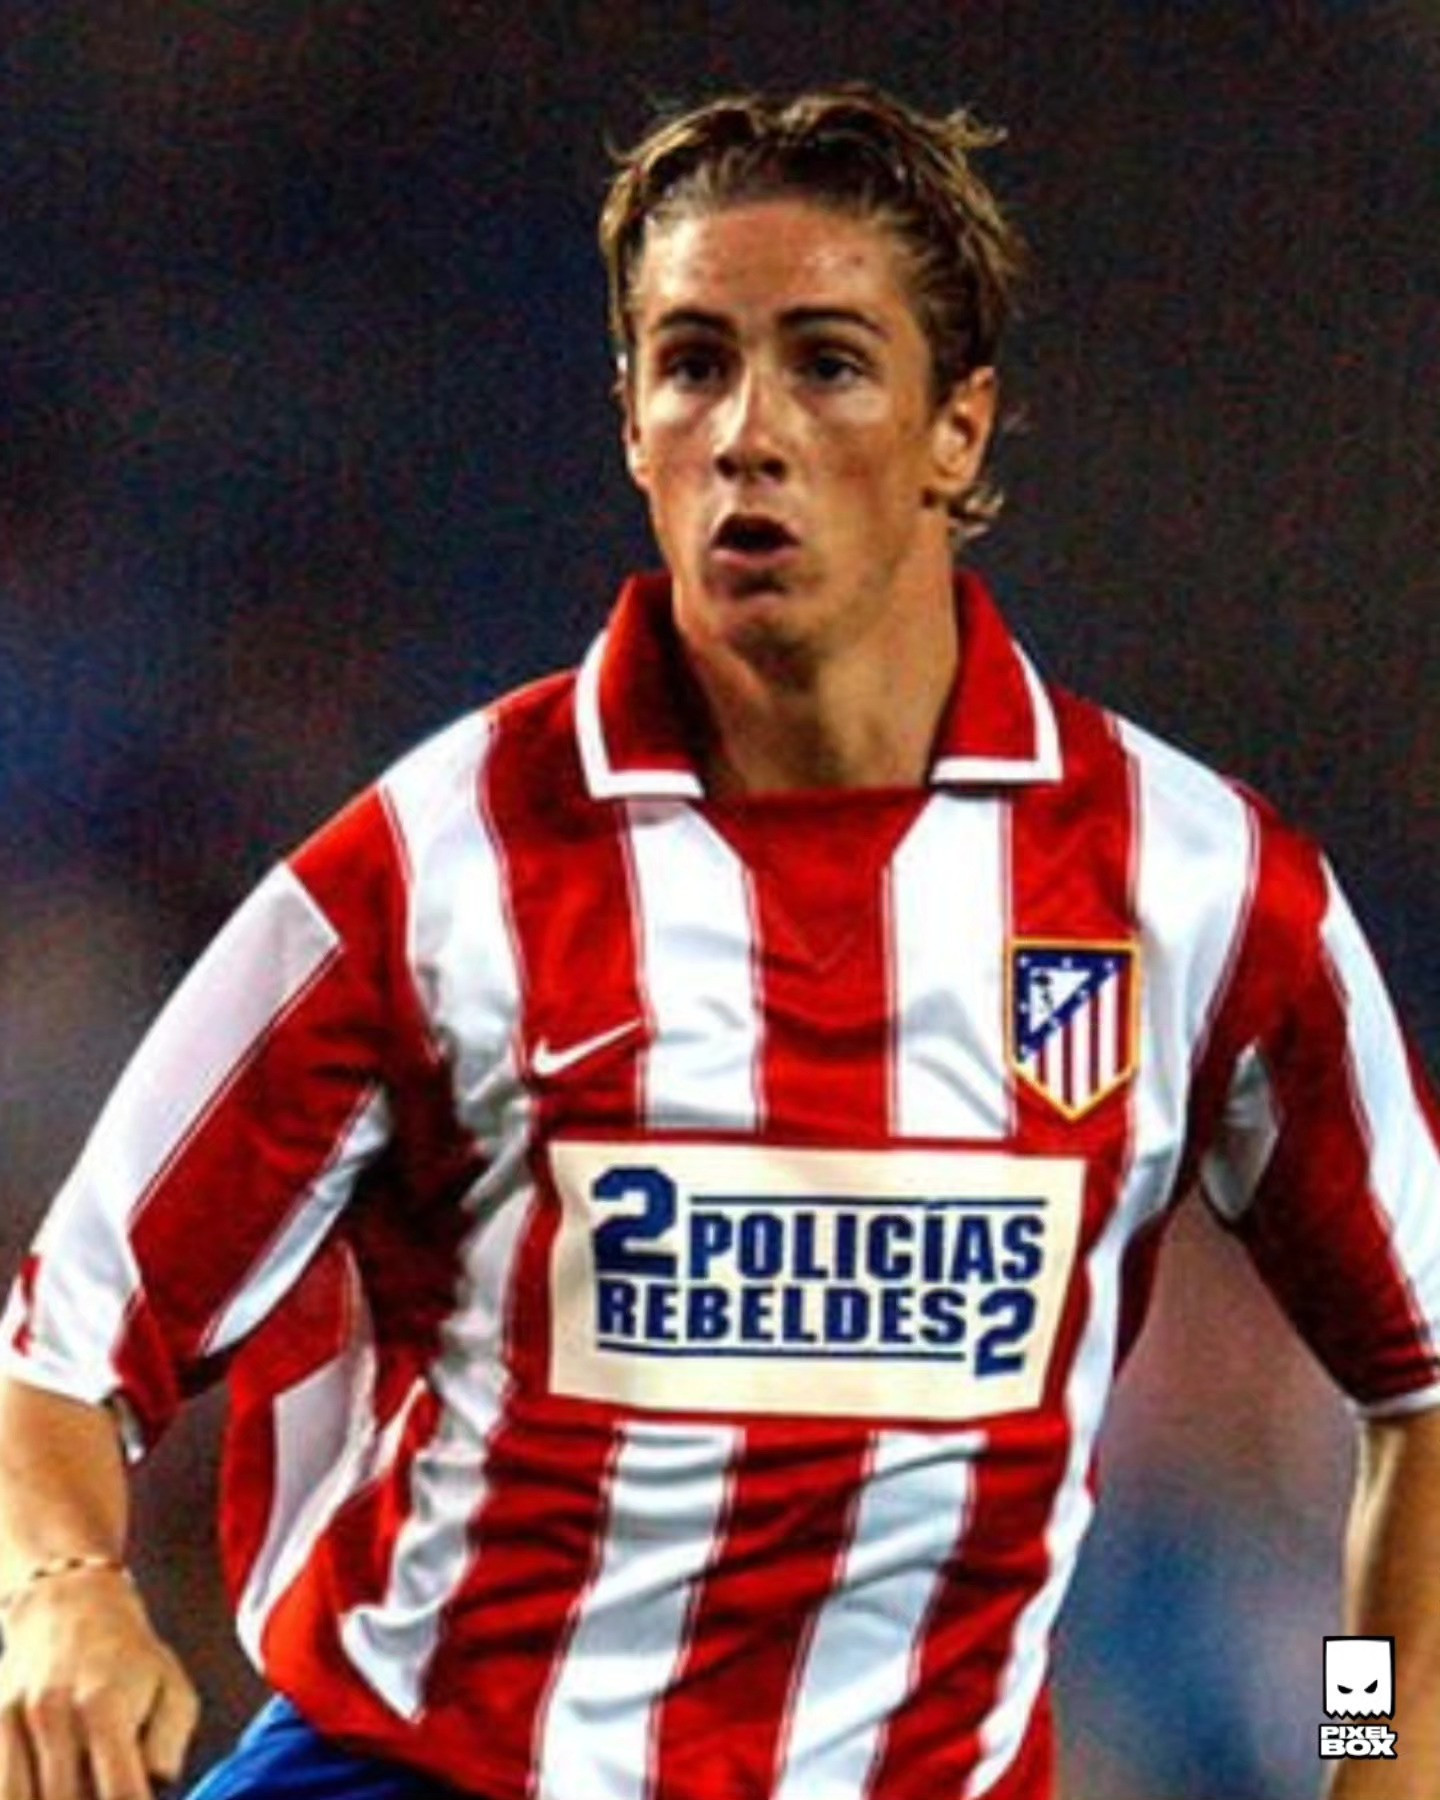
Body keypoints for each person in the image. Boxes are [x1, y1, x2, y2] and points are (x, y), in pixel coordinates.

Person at [1, 83, 1437, 1800]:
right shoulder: (438, 863)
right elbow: (65, 1348)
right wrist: (62, 1586)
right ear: (630, 424)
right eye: (693, 364)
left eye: (827, 364)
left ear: (959, 428)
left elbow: (1412, 1392)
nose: (750, 431)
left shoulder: (1200, 888)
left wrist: (1372, 1758)